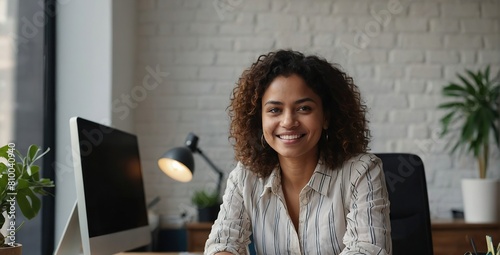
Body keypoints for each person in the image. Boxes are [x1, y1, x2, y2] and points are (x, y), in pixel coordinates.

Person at [205, 49, 391, 255]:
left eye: (304, 108)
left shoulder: (361, 171)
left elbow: (367, 250)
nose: (288, 122)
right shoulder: (245, 176)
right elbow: (222, 244)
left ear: (326, 117)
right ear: (260, 120)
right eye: (275, 110)